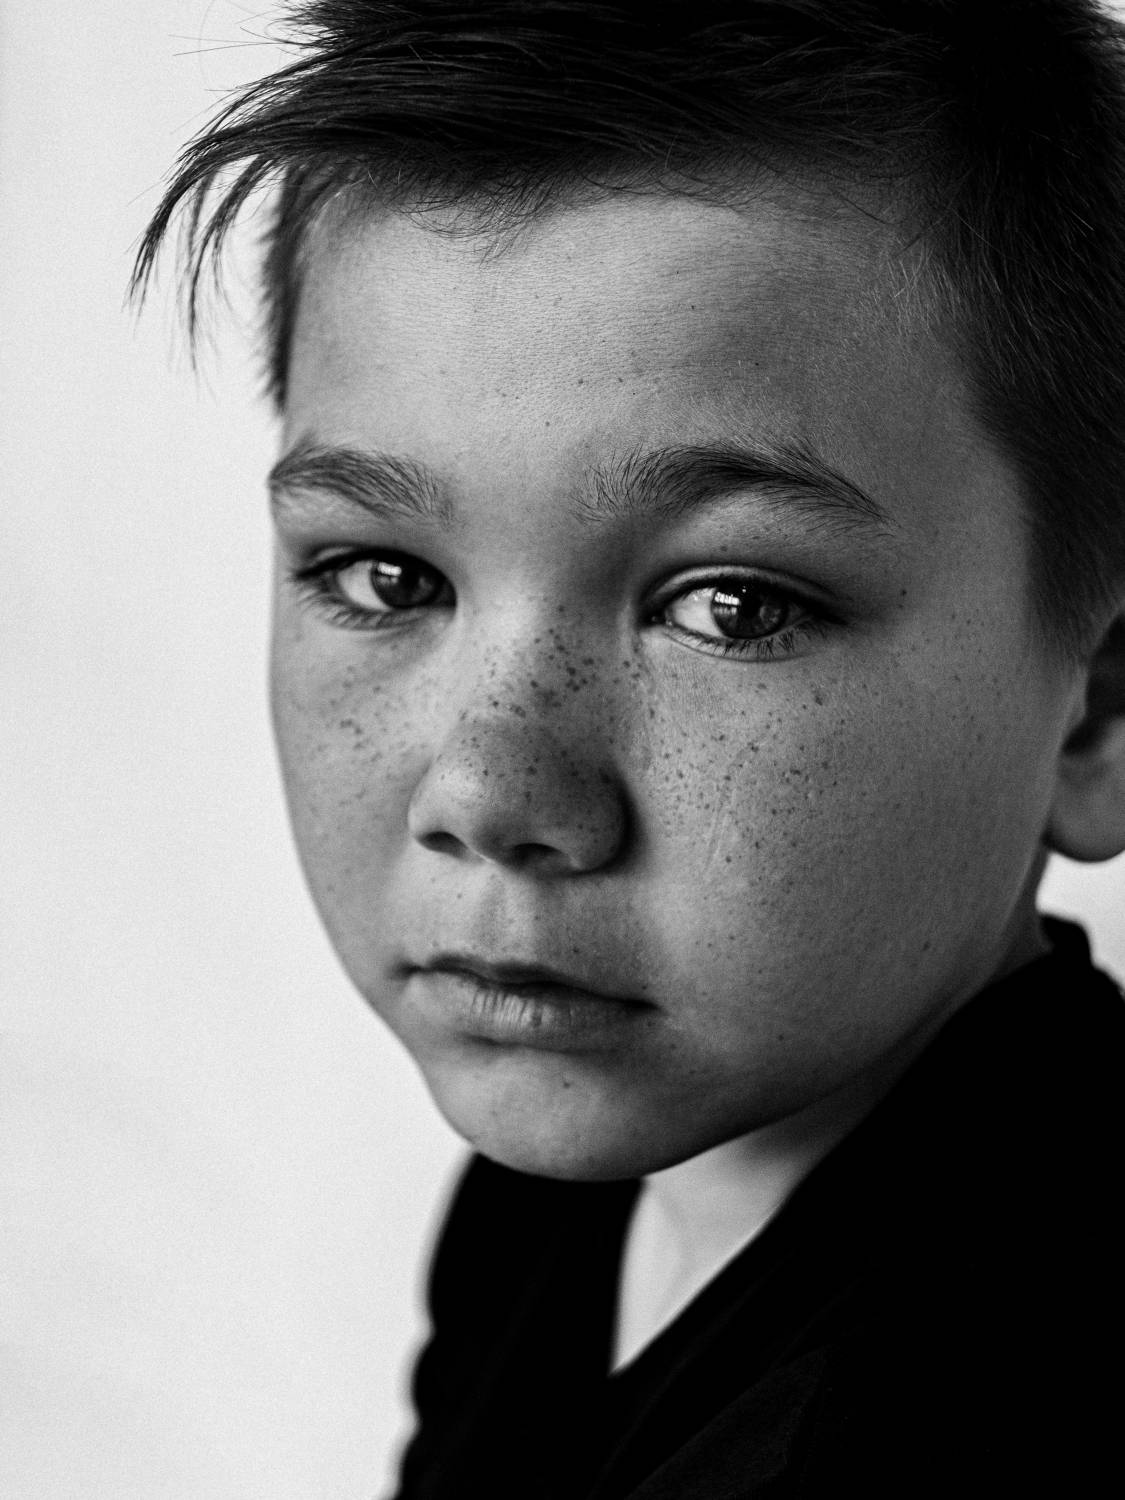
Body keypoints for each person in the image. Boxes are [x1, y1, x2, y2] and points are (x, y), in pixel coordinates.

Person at [133, 2, 1125, 1493]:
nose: (493, 794)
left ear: (1099, 705)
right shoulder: (560, 1197)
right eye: (385, 579)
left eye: (734, 606)